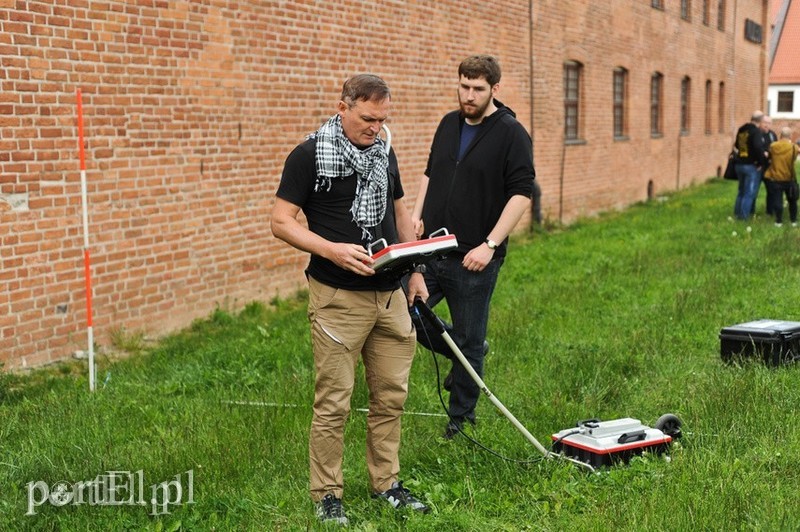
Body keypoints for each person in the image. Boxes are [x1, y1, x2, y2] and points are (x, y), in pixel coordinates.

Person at [270, 74, 430, 526]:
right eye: (367, 118)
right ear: (343, 107)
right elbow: (281, 221)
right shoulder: (308, 156)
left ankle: (387, 485)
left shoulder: (383, 150)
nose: (375, 128)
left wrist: (415, 271)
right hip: (338, 297)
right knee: (335, 403)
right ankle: (327, 495)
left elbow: (399, 212)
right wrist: (331, 249)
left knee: (391, 397)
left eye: (382, 120)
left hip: (389, 295)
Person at [408, 55, 535, 439]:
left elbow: (521, 194)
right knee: (403, 314)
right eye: (464, 86)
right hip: (431, 250)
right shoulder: (448, 123)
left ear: (494, 89)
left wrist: (490, 245)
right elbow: (431, 172)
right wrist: (414, 217)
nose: (469, 95)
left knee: (470, 334)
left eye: (478, 89)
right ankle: (466, 355)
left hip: (473, 257)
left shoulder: (511, 133)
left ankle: (460, 419)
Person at [732, 111, 768, 220]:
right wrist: (761, 162)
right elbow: (758, 147)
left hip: (739, 164)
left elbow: (738, 145)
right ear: (760, 121)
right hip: (751, 166)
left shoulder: (742, 129)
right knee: (749, 193)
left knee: (741, 191)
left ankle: (737, 214)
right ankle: (743, 218)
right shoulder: (755, 131)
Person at [763, 127, 799, 227]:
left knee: (777, 200)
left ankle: (778, 221)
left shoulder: (773, 146)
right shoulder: (794, 147)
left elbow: (769, 156)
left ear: (780, 135)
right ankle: (793, 221)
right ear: (790, 136)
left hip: (775, 177)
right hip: (789, 177)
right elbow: (795, 157)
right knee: (792, 201)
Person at [759, 115, 779, 215]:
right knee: (753, 191)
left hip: (769, 167)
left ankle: (770, 211)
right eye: (765, 122)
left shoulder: (772, 135)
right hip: (758, 167)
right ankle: (749, 211)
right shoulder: (757, 134)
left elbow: (776, 148)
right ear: (760, 123)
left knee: (771, 190)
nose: (767, 125)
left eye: (769, 123)